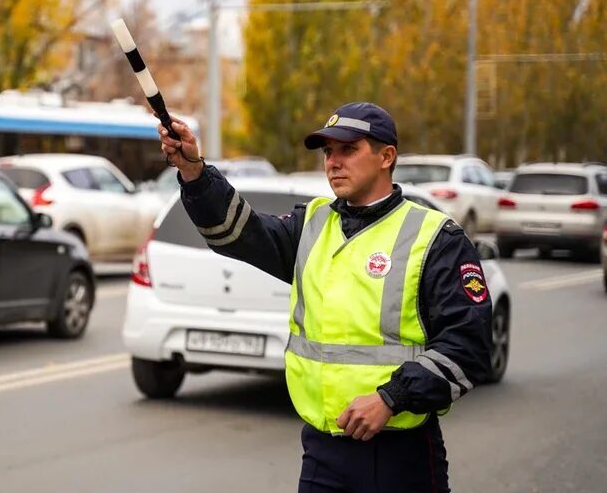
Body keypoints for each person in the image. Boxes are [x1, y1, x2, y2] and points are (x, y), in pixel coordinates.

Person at [158, 102, 493, 493]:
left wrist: (391, 398)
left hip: (399, 454)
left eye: (348, 149)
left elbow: (468, 347)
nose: (333, 162)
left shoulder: (435, 238)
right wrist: (194, 172)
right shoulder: (312, 224)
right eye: (328, 151)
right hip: (322, 451)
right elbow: (236, 232)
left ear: (387, 157)